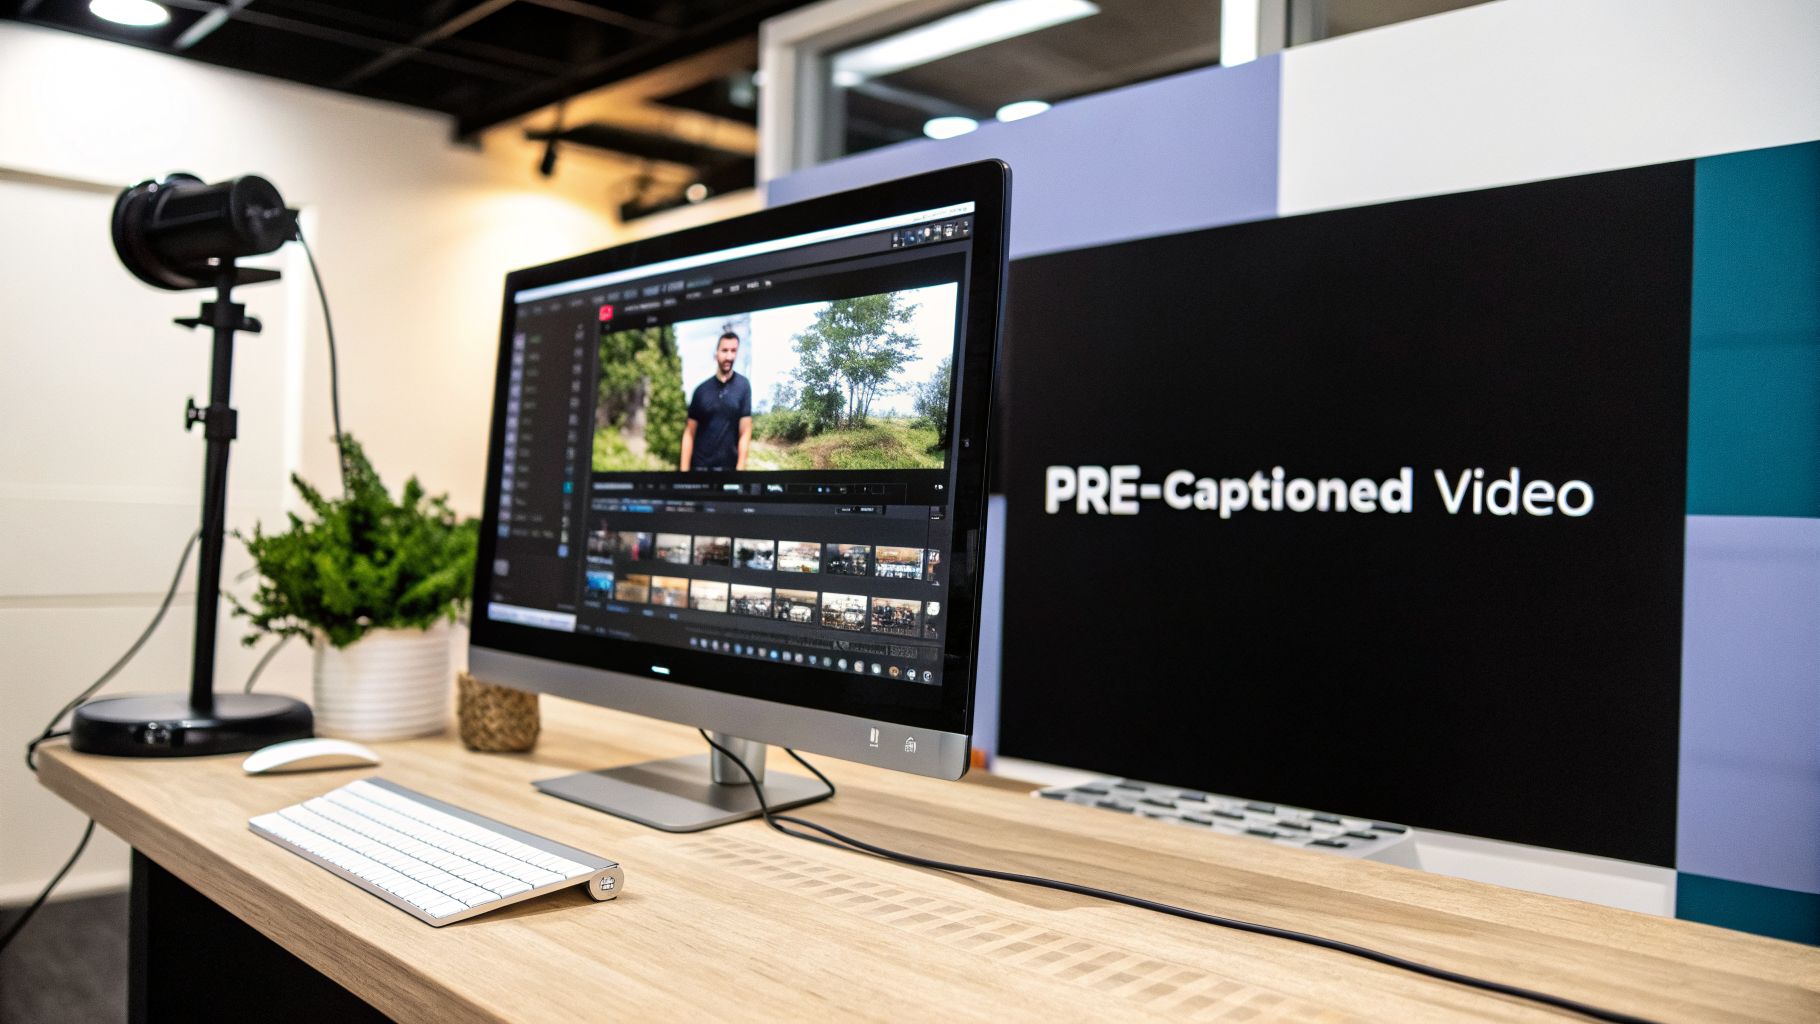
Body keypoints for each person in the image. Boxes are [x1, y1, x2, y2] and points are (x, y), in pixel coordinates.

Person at [680, 330, 752, 470]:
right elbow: (689, 433)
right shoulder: (701, 390)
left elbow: (746, 430)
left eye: (733, 351)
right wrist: (684, 471)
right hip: (700, 469)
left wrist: (740, 468)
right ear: (716, 353)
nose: (729, 356)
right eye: (724, 350)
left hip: (728, 470)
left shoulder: (743, 386)